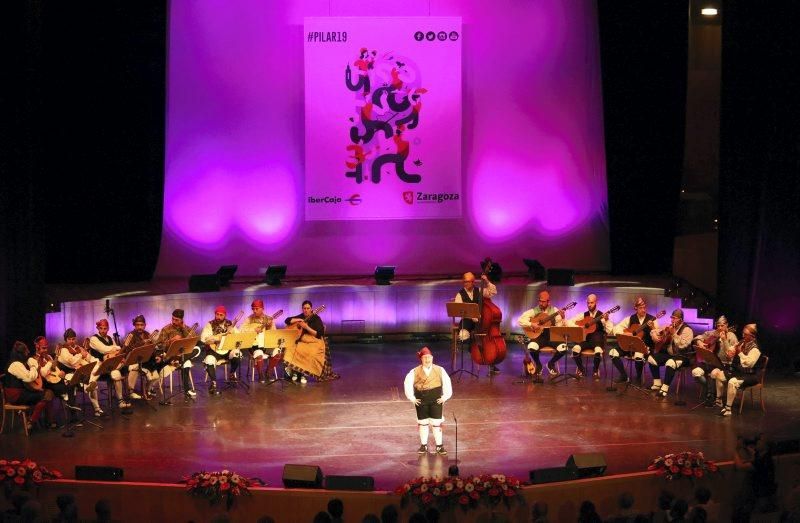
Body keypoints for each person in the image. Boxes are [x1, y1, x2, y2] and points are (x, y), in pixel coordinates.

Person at [403, 347, 453, 455]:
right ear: (421, 359)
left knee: (436, 423)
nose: (427, 360)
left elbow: (447, 383)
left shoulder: (440, 370)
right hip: (421, 401)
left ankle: (439, 446)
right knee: (423, 423)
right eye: (425, 358)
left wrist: (445, 397)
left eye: (429, 357)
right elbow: (407, 383)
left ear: (432, 358)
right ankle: (423, 445)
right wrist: (412, 398)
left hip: (436, 400)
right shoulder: (415, 371)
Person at [454, 270, 499, 373]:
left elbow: (493, 292)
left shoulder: (479, 290)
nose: (466, 283)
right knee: (463, 334)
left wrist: (487, 281)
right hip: (467, 321)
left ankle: (490, 362)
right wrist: (470, 316)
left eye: (468, 281)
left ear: (473, 282)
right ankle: (473, 348)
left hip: (481, 321)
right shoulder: (460, 294)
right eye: (464, 281)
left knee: (485, 337)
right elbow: (458, 310)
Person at [715, 324, 764, 416]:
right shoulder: (742, 342)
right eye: (743, 333)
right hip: (740, 372)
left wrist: (739, 353)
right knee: (719, 375)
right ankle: (719, 401)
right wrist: (725, 341)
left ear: (752, 336)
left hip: (752, 375)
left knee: (732, 382)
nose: (743, 336)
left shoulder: (755, 348)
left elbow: (749, 364)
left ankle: (728, 409)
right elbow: (729, 351)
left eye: (745, 334)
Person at [284, 300, 339, 382]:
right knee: (292, 348)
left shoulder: (316, 318)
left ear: (311, 309)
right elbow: (287, 320)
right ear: (302, 309)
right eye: (304, 308)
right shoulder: (302, 315)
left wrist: (306, 327)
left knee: (309, 352)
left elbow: (319, 334)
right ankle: (296, 372)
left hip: (314, 340)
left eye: (308, 308)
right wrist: (299, 320)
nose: (306, 310)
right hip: (302, 340)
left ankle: (304, 374)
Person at [516, 290, 567, 378]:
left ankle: (551, 364)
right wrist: (531, 324)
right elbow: (520, 320)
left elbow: (559, 327)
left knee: (564, 348)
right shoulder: (534, 311)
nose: (541, 303)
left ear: (548, 301)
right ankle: (538, 365)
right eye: (540, 300)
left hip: (552, 335)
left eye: (543, 301)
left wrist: (562, 318)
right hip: (539, 336)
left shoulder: (555, 310)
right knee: (531, 346)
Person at [3, 341, 50, 432]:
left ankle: (31, 418)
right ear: (21, 353)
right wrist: (33, 366)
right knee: (47, 394)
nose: (27, 353)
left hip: (21, 392)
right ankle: (31, 421)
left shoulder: (19, 363)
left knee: (45, 392)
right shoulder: (15, 364)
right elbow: (29, 378)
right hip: (15, 395)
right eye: (25, 352)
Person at [611, 297, 660, 384]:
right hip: (630, 346)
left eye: (645, 307)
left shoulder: (653, 319)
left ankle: (638, 377)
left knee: (638, 355)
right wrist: (626, 334)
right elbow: (616, 328)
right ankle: (624, 376)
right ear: (636, 308)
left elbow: (658, 337)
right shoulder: (630, 318)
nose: (643, 310)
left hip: (644, 347)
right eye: (641, 308)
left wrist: (652, 328)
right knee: (613, 352)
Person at [153, 309, 199, 400]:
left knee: (197, 349)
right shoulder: (166, 329)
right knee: (186, 362)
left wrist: (183, 329)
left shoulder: (186, 328)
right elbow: (159, 345)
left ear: (182, 320)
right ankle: (187, 389)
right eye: (173, 319)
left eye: (177, 320)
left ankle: (179, 360)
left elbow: (195, 340)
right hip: (170, 354)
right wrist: (171, 341)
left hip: (183, 354)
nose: (174, 321)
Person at [56, 328, 104, 416]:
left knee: (97, 367)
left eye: (73, 339)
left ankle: (97, 409)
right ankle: (90, 389)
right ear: (66, 340)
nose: (72, 341)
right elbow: (73, 362)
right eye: (69, 339)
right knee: (89, 382)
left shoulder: (79, 348)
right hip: (70, 375)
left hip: (83, 372)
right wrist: (81, 355)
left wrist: (98, 362)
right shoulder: (64, 350)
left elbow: (90, 358)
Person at [565, 294, 614, 379]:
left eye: (591, 303)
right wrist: (580, 327)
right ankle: (582, 370)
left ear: (596, 302)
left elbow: (610, 330)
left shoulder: (601, 315)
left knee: (598, 350)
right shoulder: (583, 315)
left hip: (597, 341)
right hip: (586, 340)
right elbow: (568, 322)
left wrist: (606, 320)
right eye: (588, 303)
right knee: (575, 349)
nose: (589, 305)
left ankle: (595, 371)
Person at [691, 316, 738, 404]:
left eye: (722, 325)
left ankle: (711, 395)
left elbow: (731, 355)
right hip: (709, 362)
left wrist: (724, 340)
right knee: (695, 372)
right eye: (718, 325)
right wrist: (700, 342)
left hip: (723, 364)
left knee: (714, 373)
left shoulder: (732, 336)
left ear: (727, 325)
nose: (720, 328)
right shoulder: (713, 333)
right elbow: (697, 337)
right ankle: (708, 389)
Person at [648, 309, 694, 397]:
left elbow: (682, 346)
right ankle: (657, 383)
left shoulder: (687, 330)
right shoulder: (669, 327)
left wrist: (674, 334)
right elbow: (657, 336)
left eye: (675, 318)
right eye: (671, 318)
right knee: (651, 358)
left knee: (671, 363)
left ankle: (664, 389)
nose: (672, 320)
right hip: (671, 354)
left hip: (683, 356)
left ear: (680, 319)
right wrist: (653, 329)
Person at [89, 318, 131, 408]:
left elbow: (115, 353)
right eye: (101, 328)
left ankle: (120, 401)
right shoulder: (93, 339)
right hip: (99, 367)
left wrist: (118, 355)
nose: (103, 330)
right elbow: (104, 349)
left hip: (111, 366)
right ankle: (91, 384)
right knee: (124, 366)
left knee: (116, 373)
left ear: (108, 328)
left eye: (105, 328)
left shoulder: (110, 338)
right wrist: (118, 348)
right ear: (98, 328)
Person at [200, 305, 242, 394]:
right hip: (214, 350)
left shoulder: (229, 324)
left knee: (237, 353)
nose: (218, 317)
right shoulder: (209, 324)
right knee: (209, 360)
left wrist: (232, 334)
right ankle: (213, 383)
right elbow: (203, 338)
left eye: (221, 315)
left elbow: (238, 336)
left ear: (225, 315)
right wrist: (218, 338)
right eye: (217, 315)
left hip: (227, 350)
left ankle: (231, 373)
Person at [122, 314, 157, 399]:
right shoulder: (130, 335)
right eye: (137, 325)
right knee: (135, 367)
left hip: (145, 361)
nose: (139, 327)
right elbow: (127, 349)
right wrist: (142, 343)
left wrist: (156, 354)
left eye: (141, 325)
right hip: (132, 361)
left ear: (145, 325)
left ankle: (148, 390)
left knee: (156, 375)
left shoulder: (148, 335)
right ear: (134, 325)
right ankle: (130, 391)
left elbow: (153, 348)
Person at [239, 299, 275, 383]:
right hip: (254, 345)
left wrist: (269, 327)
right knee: (259, 354)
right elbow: (241, 330)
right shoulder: (249, 319)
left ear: (262, 308)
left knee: (278, 352)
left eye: (256, 309)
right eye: (253, 309)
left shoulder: (268, 319)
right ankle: (260, 374)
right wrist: (253, 330)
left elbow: (274, 334)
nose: (254, 311)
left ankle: (268, 372)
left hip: (266, 344)